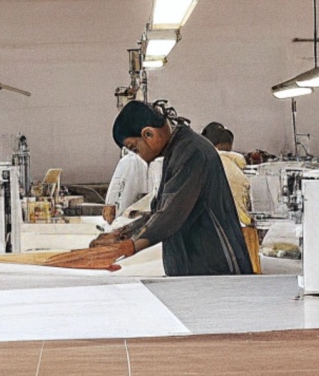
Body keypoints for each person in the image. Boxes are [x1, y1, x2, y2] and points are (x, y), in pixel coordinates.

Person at [46, 101, 253, 275]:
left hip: (217, 270)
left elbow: (170, 214)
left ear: (148, 134)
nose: (138, 155)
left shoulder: (191, 152)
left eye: (135, 148)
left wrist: (126, 248)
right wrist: (121, 234)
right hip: (197, 270)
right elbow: (158, 211)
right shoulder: (176, 150)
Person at [202, 122, 262, 274]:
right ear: (228, 145)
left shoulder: (205, 162)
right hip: (242, 226)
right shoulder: (234, 166)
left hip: (221, 230)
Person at [103, 147, 150, 222]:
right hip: (128, 214)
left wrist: (110, 203)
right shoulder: (137, 162)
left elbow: (117, 186)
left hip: (123, 214)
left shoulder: (129, 161)